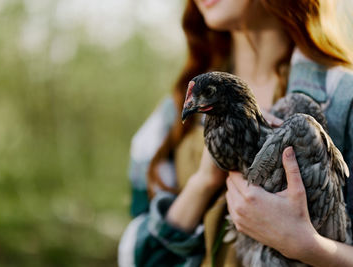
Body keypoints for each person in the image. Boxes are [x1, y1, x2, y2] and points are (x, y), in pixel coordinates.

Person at [118, 0, 353, 266]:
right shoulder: (171, 113)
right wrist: (203, 183)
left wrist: (308, 246)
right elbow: (137, 257)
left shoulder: (344, 100)